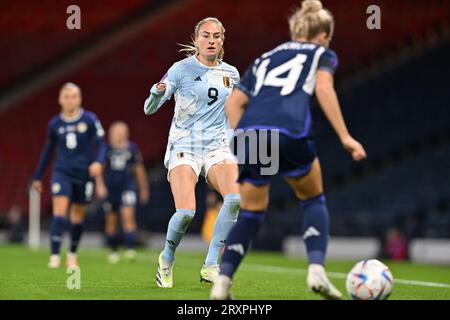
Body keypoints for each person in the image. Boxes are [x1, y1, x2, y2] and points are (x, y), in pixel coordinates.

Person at [211, 0, 367, 300]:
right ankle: (317, 270)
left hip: (252, 135)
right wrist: (345, 137)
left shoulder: (265, 58)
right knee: (312, 199)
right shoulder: (323, 54)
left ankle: (223, 282)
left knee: (251, 215)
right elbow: (323, 89)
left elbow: (234, 104)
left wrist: (243, 139)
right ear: (323, 35)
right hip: (290, 131)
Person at [144, 17, 241, 287]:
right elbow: (149, 109)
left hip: (216, 146)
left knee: (234, 198)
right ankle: (166, 259)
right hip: (184, 145)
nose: (211, 40)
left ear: (223, 40)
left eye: (217, 36)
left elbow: (232, 114)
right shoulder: (180, 69)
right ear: (196, 39)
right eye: (206, 35)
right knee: (186, 212)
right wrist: (156, 93)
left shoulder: (232, 74)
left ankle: (211, 265)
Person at [32, 82, 107, 268]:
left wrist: (98, 161)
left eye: (74, 96)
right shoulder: (55, 124)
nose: (70, 100)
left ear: (80, 99)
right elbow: (48, 151)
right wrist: (37, 176)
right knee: (59, 211)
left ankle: (72, 254)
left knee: (77, 215)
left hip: (83, 174)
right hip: (62, 172)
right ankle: (55, 256)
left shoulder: (90, 119)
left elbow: (102, 144)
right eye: (66, 96)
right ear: (60, 99)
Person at [103, 121, 150, 264]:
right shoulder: (106, 149)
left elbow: (139, 170)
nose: (119, 134)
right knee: (111, 221)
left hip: (127, 188)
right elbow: (100, 168)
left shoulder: (132, 148)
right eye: (116, 131)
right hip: (111, 189)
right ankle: (114, 251)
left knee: (128, 217)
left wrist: (143, 189)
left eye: (121, 131)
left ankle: (130, 249)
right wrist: (99, 185)